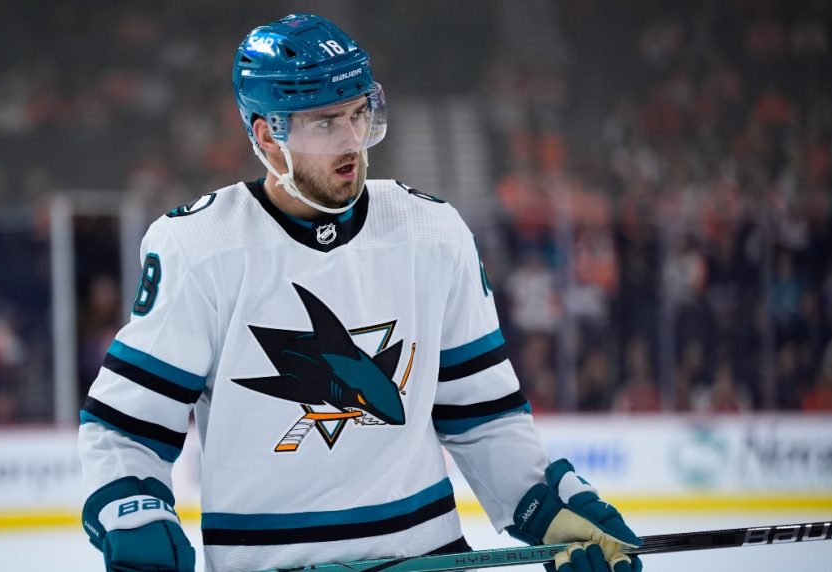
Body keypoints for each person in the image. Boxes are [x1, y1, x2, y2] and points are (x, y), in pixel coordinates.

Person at [77, 13, 642, 572]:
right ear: (267, 136)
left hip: (428, 560)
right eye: (325, 123)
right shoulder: (201, 248)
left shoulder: (432, 233)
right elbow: (126, 427)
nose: (352, 142)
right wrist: (135, 515)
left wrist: (546, 506)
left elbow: (483, 414)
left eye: (358, 114)